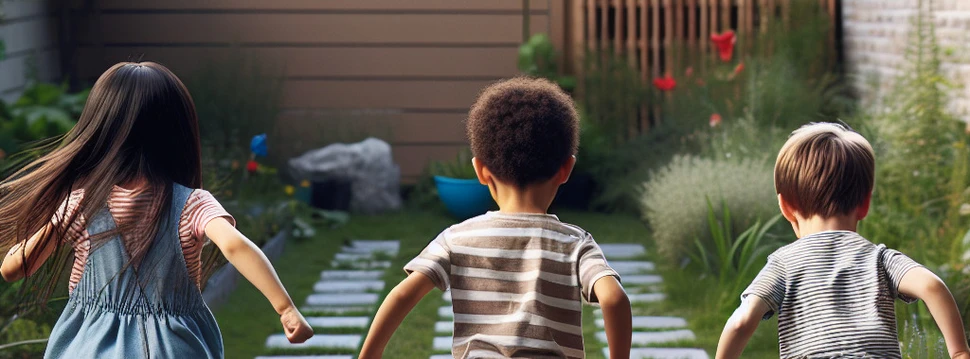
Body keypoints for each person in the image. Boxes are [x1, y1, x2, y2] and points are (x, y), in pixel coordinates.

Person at [0, 62, 313, 358]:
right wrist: (285, 308)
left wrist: (41, 231)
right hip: (174, 346)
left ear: (100, 131)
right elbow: (234, 244)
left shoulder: (80, 204)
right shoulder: (192, 204)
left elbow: (15, 268)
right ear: (177, 134)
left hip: (90, 344)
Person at [359, 77, 632, 359]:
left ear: (481, 171)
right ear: (566, 170)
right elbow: (613, 298)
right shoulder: (575, 244)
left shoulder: (456, 239)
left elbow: (403, 294)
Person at [715, 122, 970, 359]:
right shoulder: (880, 259)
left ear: (785, 206)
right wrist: (959, 351)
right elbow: (931, 286)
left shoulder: (784, 264)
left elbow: (741, 322)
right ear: (865, 204)